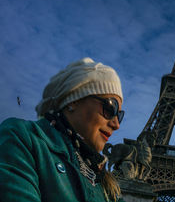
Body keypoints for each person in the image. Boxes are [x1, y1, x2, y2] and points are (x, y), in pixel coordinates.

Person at [0, 58, 126, 202]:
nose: (116, 124)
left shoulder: (107, 186)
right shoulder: (22, 136)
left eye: (120, 115)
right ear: (74, 101)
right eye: (111, 107)